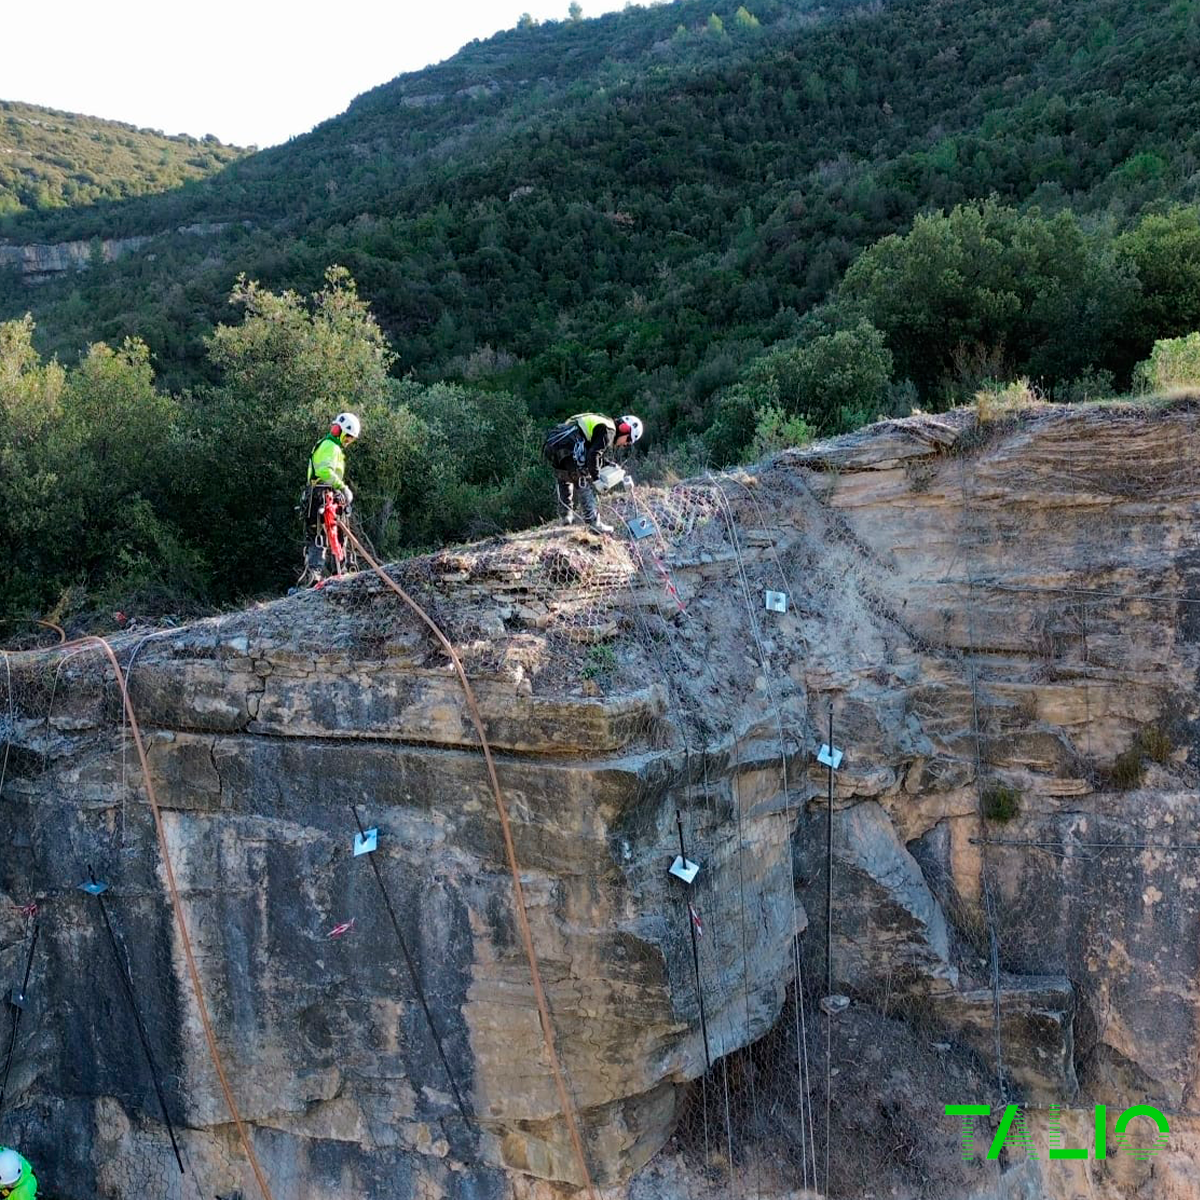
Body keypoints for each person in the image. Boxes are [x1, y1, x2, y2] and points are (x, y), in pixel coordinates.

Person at [542, 412, 643, 533]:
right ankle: (594, 523)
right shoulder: (609, 431)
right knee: (582, 479)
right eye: (628, 441)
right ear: (624, 430)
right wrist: (596, 479)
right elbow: (593, 455)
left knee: (564, 477)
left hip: (553, 443)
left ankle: (566, 516)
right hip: (569, 444)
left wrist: (606, 463)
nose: (625, 445)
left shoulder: (603, 421)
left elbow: (592, 452)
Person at [303, 412, 361, 583]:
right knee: (322, 534)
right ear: (340, 431)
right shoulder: (331, 446)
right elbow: (324, 471)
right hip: (322, 494)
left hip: (321, 494)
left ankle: (325, 574)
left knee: (323, 535)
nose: (348, 442)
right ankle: (332, 573)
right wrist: (342, 487)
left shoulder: (328, 445)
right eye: (348, 437)